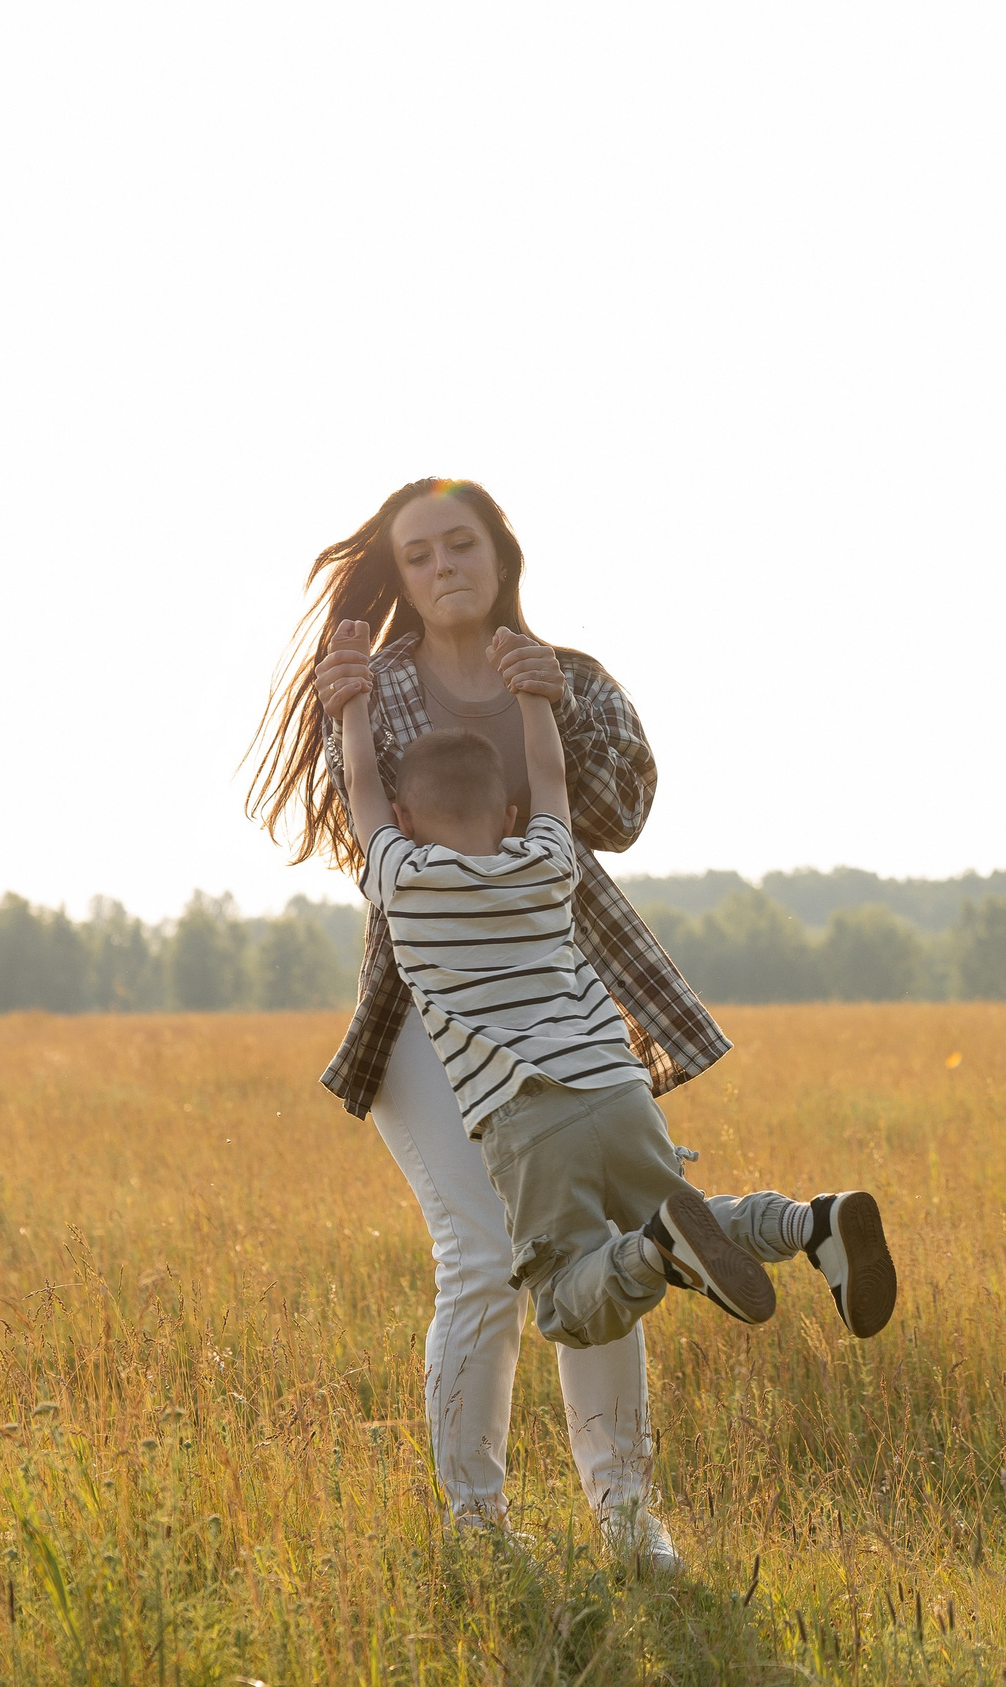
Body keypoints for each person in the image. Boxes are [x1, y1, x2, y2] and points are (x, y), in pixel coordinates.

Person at [244, 478, 726, 1568]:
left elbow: (620, 818)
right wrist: (343, 707)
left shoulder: (575, 678)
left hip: (558, 997)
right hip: (427, 1007)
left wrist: (547, 703)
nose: (444, 564)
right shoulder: (377, 686)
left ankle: (623, 1512)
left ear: (501, 554)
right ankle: (476, 1526)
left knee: (593, 1244)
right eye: (420, 554)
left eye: (461, 543)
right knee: (481, 1254)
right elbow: (366, 832)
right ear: (403, 576)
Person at [328, 615, 896, 1358]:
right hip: (618, 1088)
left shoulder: (404, 880)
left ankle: (655, 1251)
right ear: (509, 815)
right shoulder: (547, 863)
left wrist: (349, 705)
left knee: (566, 1300)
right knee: (684, 1210)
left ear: (403, 820)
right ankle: (808, 1223)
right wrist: (533, 694)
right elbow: (552, 776)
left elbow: (363, 785)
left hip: (525, 1117)